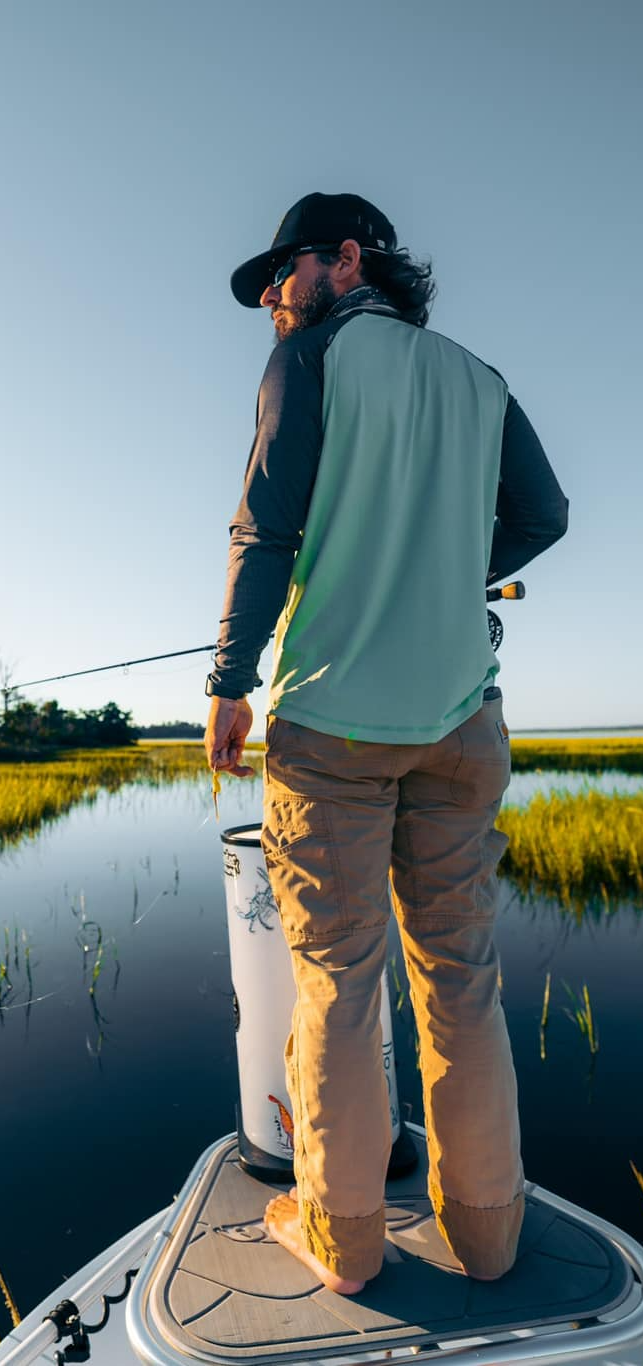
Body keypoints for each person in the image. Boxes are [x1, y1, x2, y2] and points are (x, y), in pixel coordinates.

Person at [203, 193, 568, 1295]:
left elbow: (264, 528)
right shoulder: (480, 378)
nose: (273, 296)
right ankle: (487, 1233)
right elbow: (544, 514)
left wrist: (229, 681)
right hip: (465, 720)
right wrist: (452, 563)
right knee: (461, 980)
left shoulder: (306, 363)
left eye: (284, 274)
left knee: (338, 986)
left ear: (346, 260)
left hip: (332, 729)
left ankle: (346, 1242)